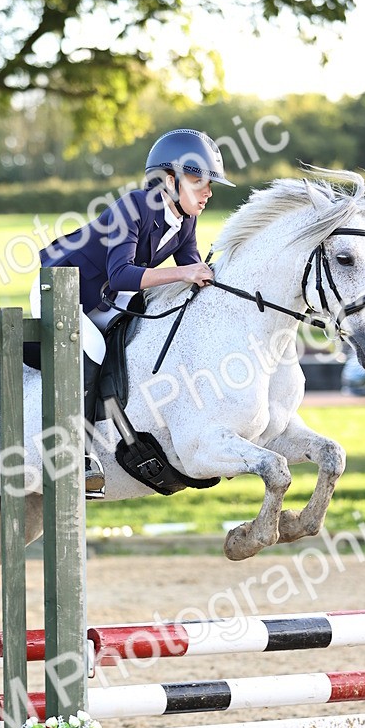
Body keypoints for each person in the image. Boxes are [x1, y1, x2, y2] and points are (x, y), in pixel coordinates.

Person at [35, 128, 236, 496]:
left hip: (108, 297)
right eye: (198, 181)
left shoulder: (185, 220)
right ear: (168, 180)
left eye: (209, 183)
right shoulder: (133, 207)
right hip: (62, 292)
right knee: (95, 349)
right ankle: (76, 459)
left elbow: (195, 273)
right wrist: (184, 272)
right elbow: (122, 273)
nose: (208, 192)